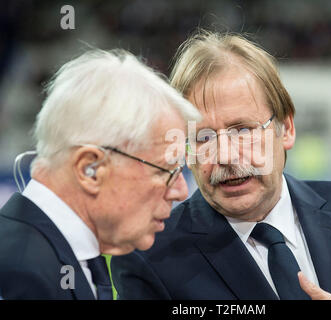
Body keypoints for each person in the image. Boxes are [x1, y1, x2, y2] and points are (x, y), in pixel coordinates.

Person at [111, 31, 331, 300]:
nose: (225, 155)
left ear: (287, 129)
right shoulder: (149, 259)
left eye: (243, 130)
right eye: (203, 138)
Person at [0, 49, 200, 299]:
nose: (181, 190)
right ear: (90, 170)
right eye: (166, 171)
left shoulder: (55, 257)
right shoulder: (22, 275)